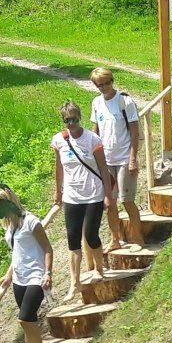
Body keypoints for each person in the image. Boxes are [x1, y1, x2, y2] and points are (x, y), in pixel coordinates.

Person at [51, 100, 116, 304]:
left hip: (93, 194)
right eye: (67, 120)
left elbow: (104, 170)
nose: (72, 124)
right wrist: (58, 191)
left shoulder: (92, 139)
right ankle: (74, 283)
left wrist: (107, 195)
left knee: (90, 235)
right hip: (72, 196)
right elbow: (59, 168)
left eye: (75, 119)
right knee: (72, 241)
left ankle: (99, 268)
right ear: (63, 120)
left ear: (80, 117)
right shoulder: (59, 140)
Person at [0, 187, 54, 343]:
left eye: (1, 206)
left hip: (36, 275)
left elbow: (48, 248)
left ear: (10, 203)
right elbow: (17, 253)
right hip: (19, 278)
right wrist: (8, 274)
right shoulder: (9, 226)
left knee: (25, 318)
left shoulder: (31, 221)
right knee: (29, 320)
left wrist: (48, 273)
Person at [88, 67, 146, 249]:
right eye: (100, 85)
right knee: (109, 203)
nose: (105, 87)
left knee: (126, 199)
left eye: (107, 83)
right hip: (106, 160)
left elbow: (135, 131)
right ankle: (115, 240)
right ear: (96, 86)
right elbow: (95, 131)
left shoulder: (125, 101)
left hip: (124, 158)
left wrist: (133, 158)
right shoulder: (96, 103)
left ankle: (137, 238)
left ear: (112, 81)